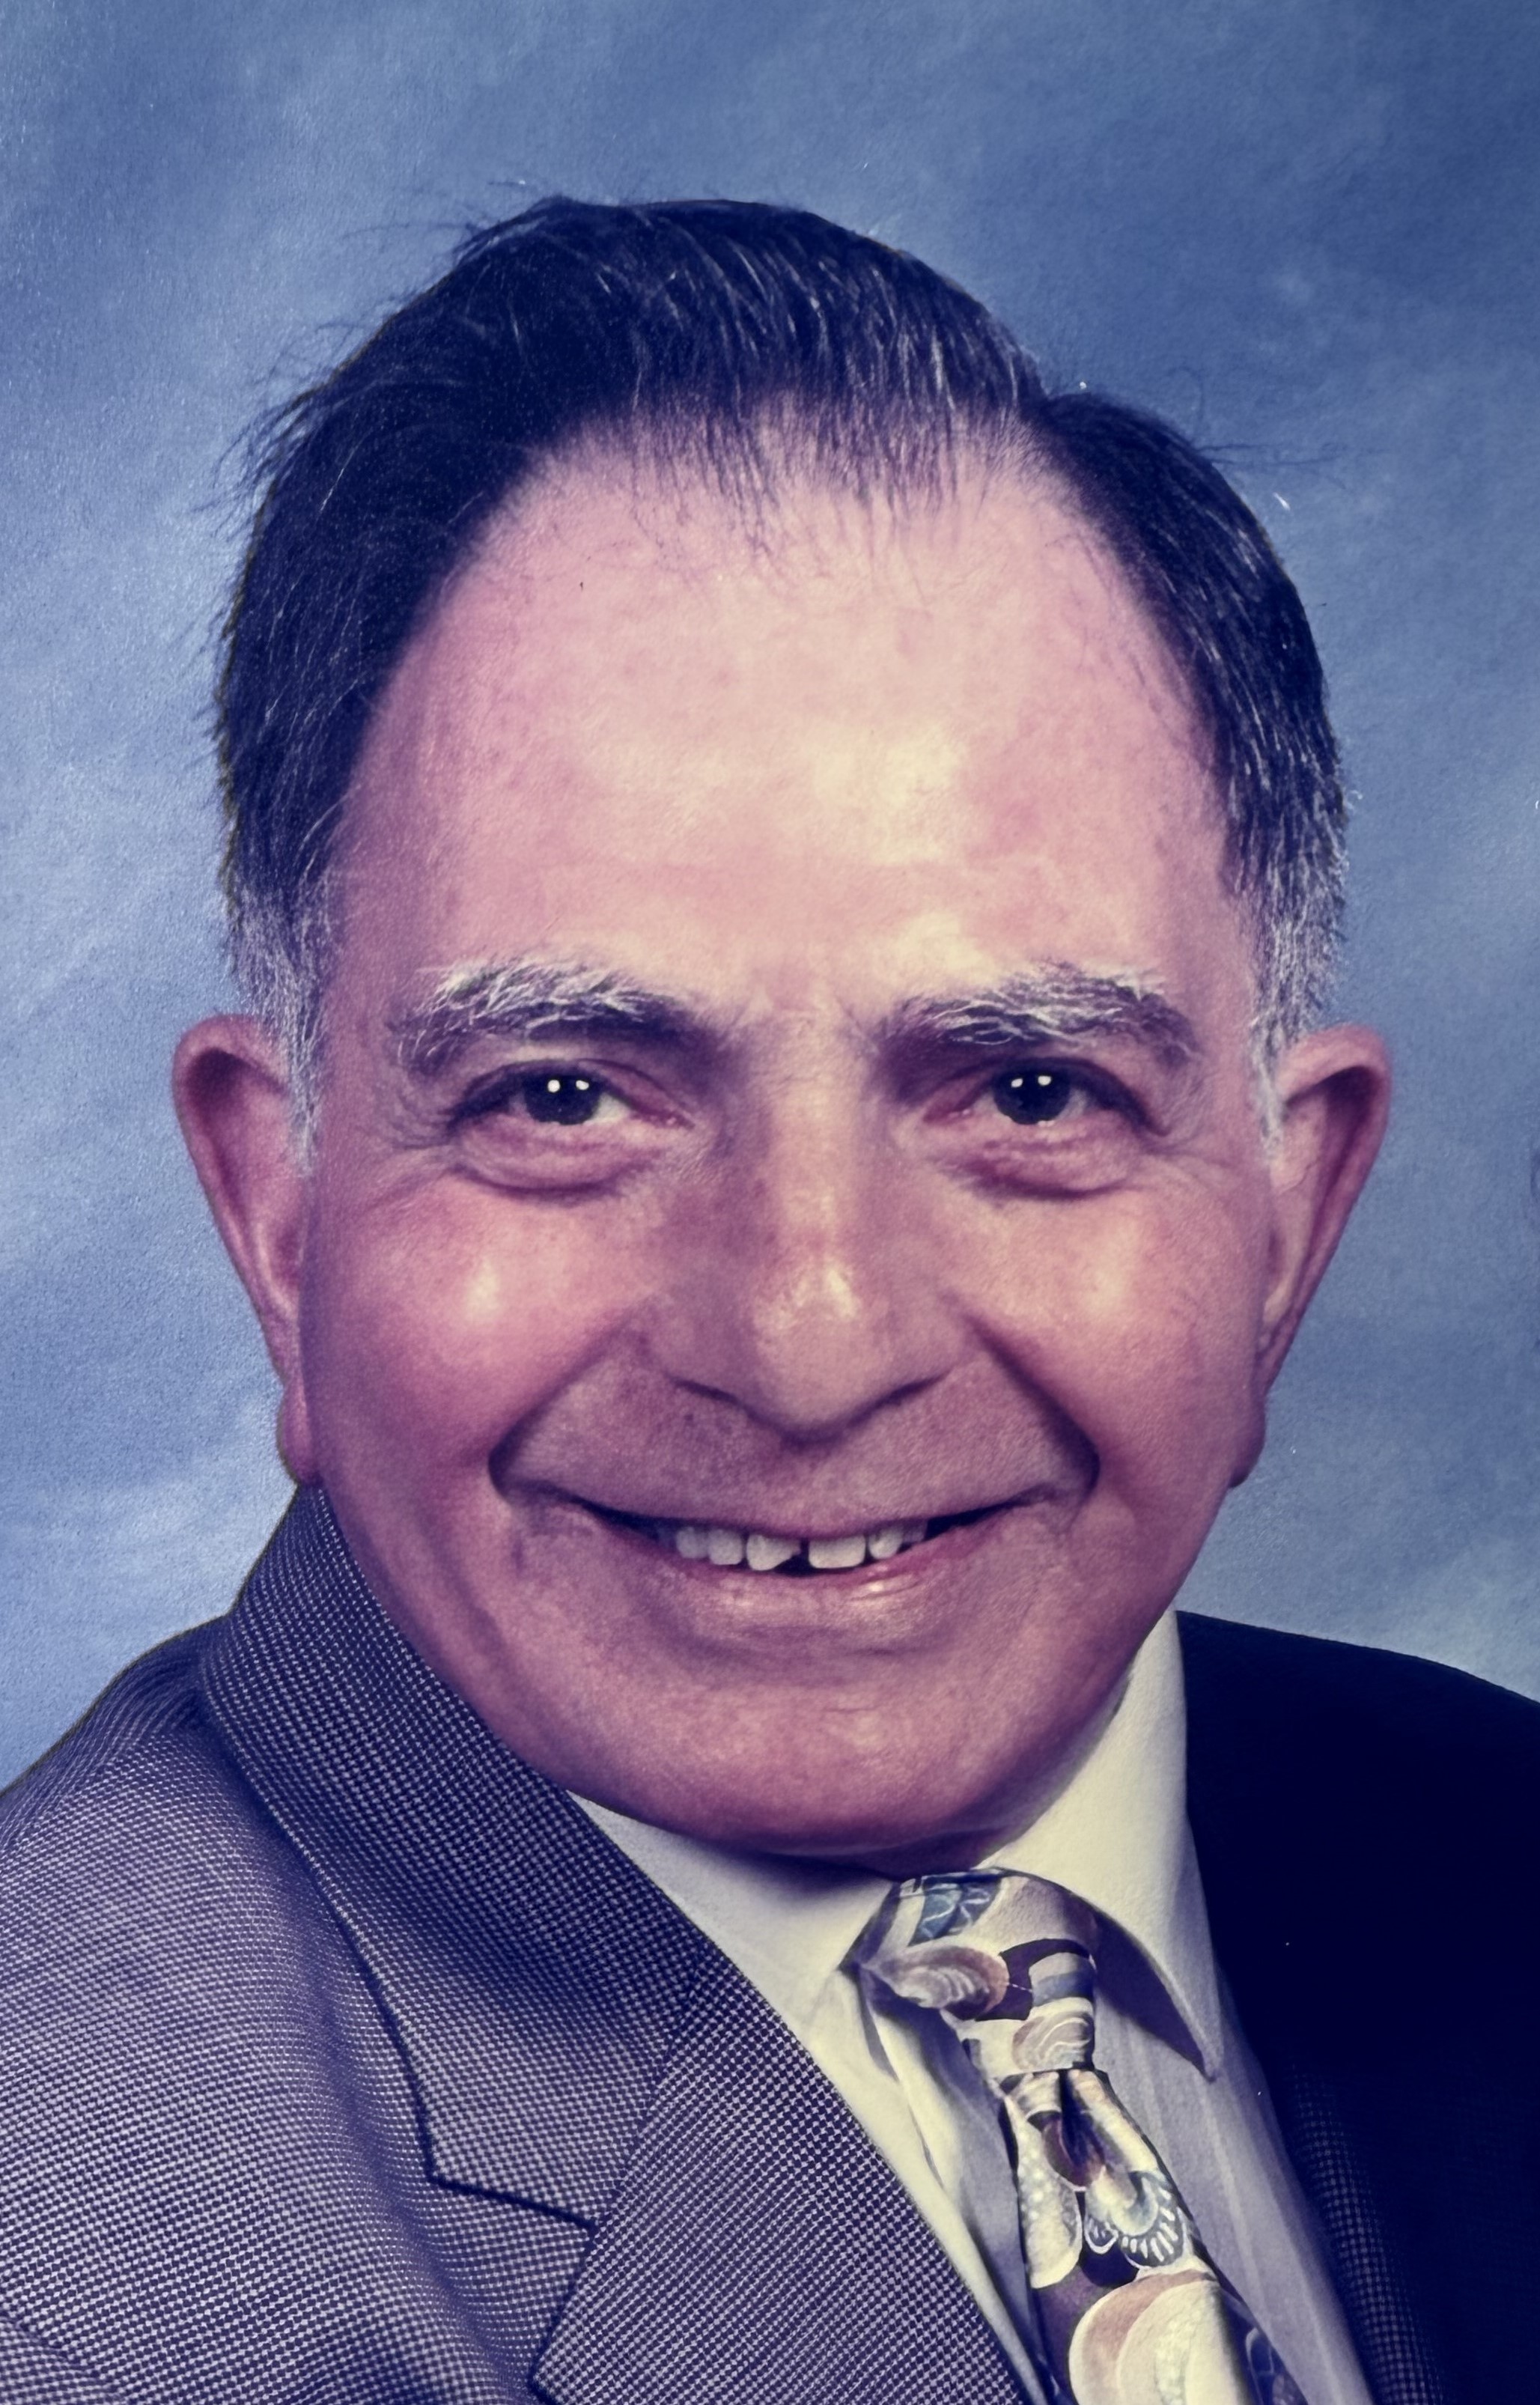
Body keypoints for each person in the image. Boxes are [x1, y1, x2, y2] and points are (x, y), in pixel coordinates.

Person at [0, 198, 1532, 2405]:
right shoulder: (66, 2266)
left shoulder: (1491, 1852)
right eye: (563, 1096)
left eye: (1028, 1090)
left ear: (1285, 1223)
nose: (811, 1345)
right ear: (280, 1212)